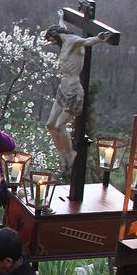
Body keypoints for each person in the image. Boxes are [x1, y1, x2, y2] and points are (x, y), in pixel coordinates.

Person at [44, 23, 112, 174]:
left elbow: (87, 41)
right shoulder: (63, 41)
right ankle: (61, 153)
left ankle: (70, 154)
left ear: (56, 35)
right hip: (63, 86)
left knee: (60, 125)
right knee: (50, 124)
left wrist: (99, 38)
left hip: (74, 90)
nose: (53, 44)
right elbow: (62, 25)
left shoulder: (73, 41)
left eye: (52, 40)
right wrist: (61, 17)